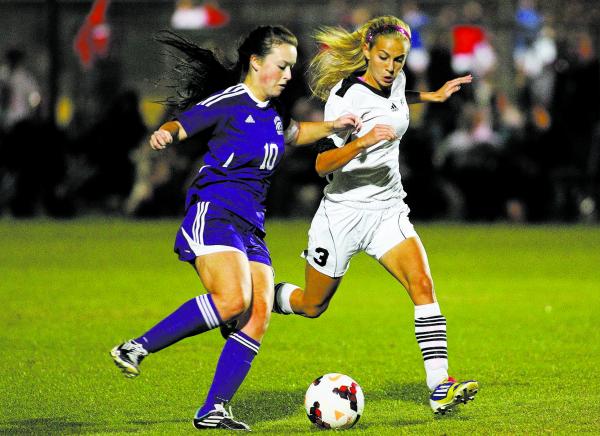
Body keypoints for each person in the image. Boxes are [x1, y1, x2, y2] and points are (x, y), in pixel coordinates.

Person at [109, 26, 361, 431]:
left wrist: (334, 126)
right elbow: (186, 122)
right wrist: (164, 134)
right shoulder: (231, 101)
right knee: (231, 301)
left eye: (291, 68)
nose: (287, 75)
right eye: (281, 66)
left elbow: (294, 134)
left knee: (258, 314)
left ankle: (213, 410)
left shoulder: (274, 114)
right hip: (215, 212)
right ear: (256, 63)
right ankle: (136, 347)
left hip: (250, 226)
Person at [271, 16, 479, 415]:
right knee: (313, 305)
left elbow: (396, 99)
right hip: (343, 213)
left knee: (422, 283)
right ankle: (261, 300)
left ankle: (439, 387)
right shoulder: (344, 98)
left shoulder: (397, 80)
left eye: (398, 60)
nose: (390, 67)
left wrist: (431, 96)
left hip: (387, 209)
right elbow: (322, 165)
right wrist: (363, 140)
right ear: (366, 51)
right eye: (383, 57)